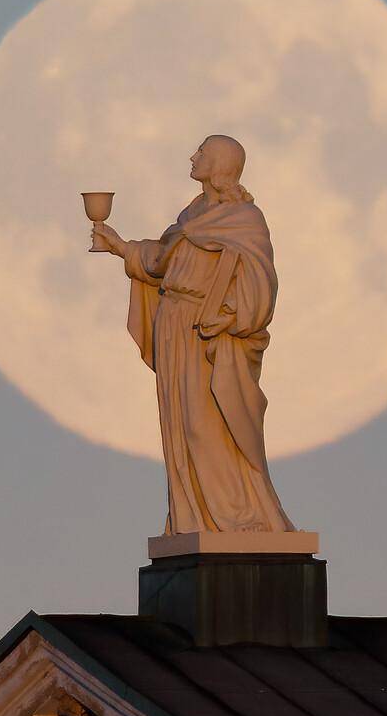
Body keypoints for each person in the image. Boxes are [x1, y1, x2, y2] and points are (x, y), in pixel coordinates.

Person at [92, 135, 294, 535]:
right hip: (175, 325)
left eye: (201, 152)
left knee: (208, 425)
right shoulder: (192, 214)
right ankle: (193, 518)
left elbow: (261, 280)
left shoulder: (245, 219)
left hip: (211, 333)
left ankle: (238, 518)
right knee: (181, 426)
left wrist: (231, 317)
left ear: (219, 165)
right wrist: (118, 246)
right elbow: (163, 260)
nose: (193, 156)